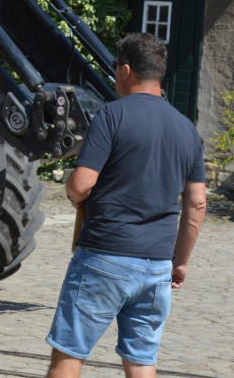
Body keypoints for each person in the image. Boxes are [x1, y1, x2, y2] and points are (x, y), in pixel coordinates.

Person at [46, 33, 207, 378]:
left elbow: (81, 184)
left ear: (126, 70)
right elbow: (197, 205)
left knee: (69, 353)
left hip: (105, 257)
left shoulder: (111, 115)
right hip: (157, 268)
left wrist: (75, 197)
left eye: (116, 67)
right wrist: (180, 262)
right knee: (141, 360)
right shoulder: (187, 129)